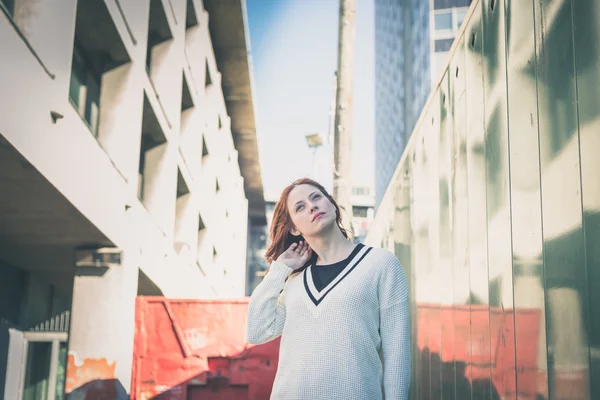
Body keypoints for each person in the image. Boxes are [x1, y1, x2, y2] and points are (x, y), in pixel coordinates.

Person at [246, 178, 411, 400]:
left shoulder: (380, 264)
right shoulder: (293, 282)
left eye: (316, 197)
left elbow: (397, 355)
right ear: (294, 227)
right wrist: (279, 270)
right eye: (300, 207)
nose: (312, 206)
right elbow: (256, 331)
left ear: (332, 204)